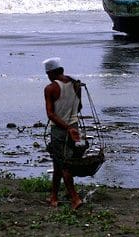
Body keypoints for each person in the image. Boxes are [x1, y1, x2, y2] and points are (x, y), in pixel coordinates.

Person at [43, 57, 84, 210]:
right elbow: (79, 107)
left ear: (51, 73)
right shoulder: (76, 84)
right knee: (59, 163)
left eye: (48, 74)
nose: (48, 77)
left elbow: (51, 114)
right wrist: (71, 125)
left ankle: (75, 198)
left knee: (64, 165)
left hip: (61, 130)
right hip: (75, 127)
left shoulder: (51, 88)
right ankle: (53, 196)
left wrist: (66, 127)